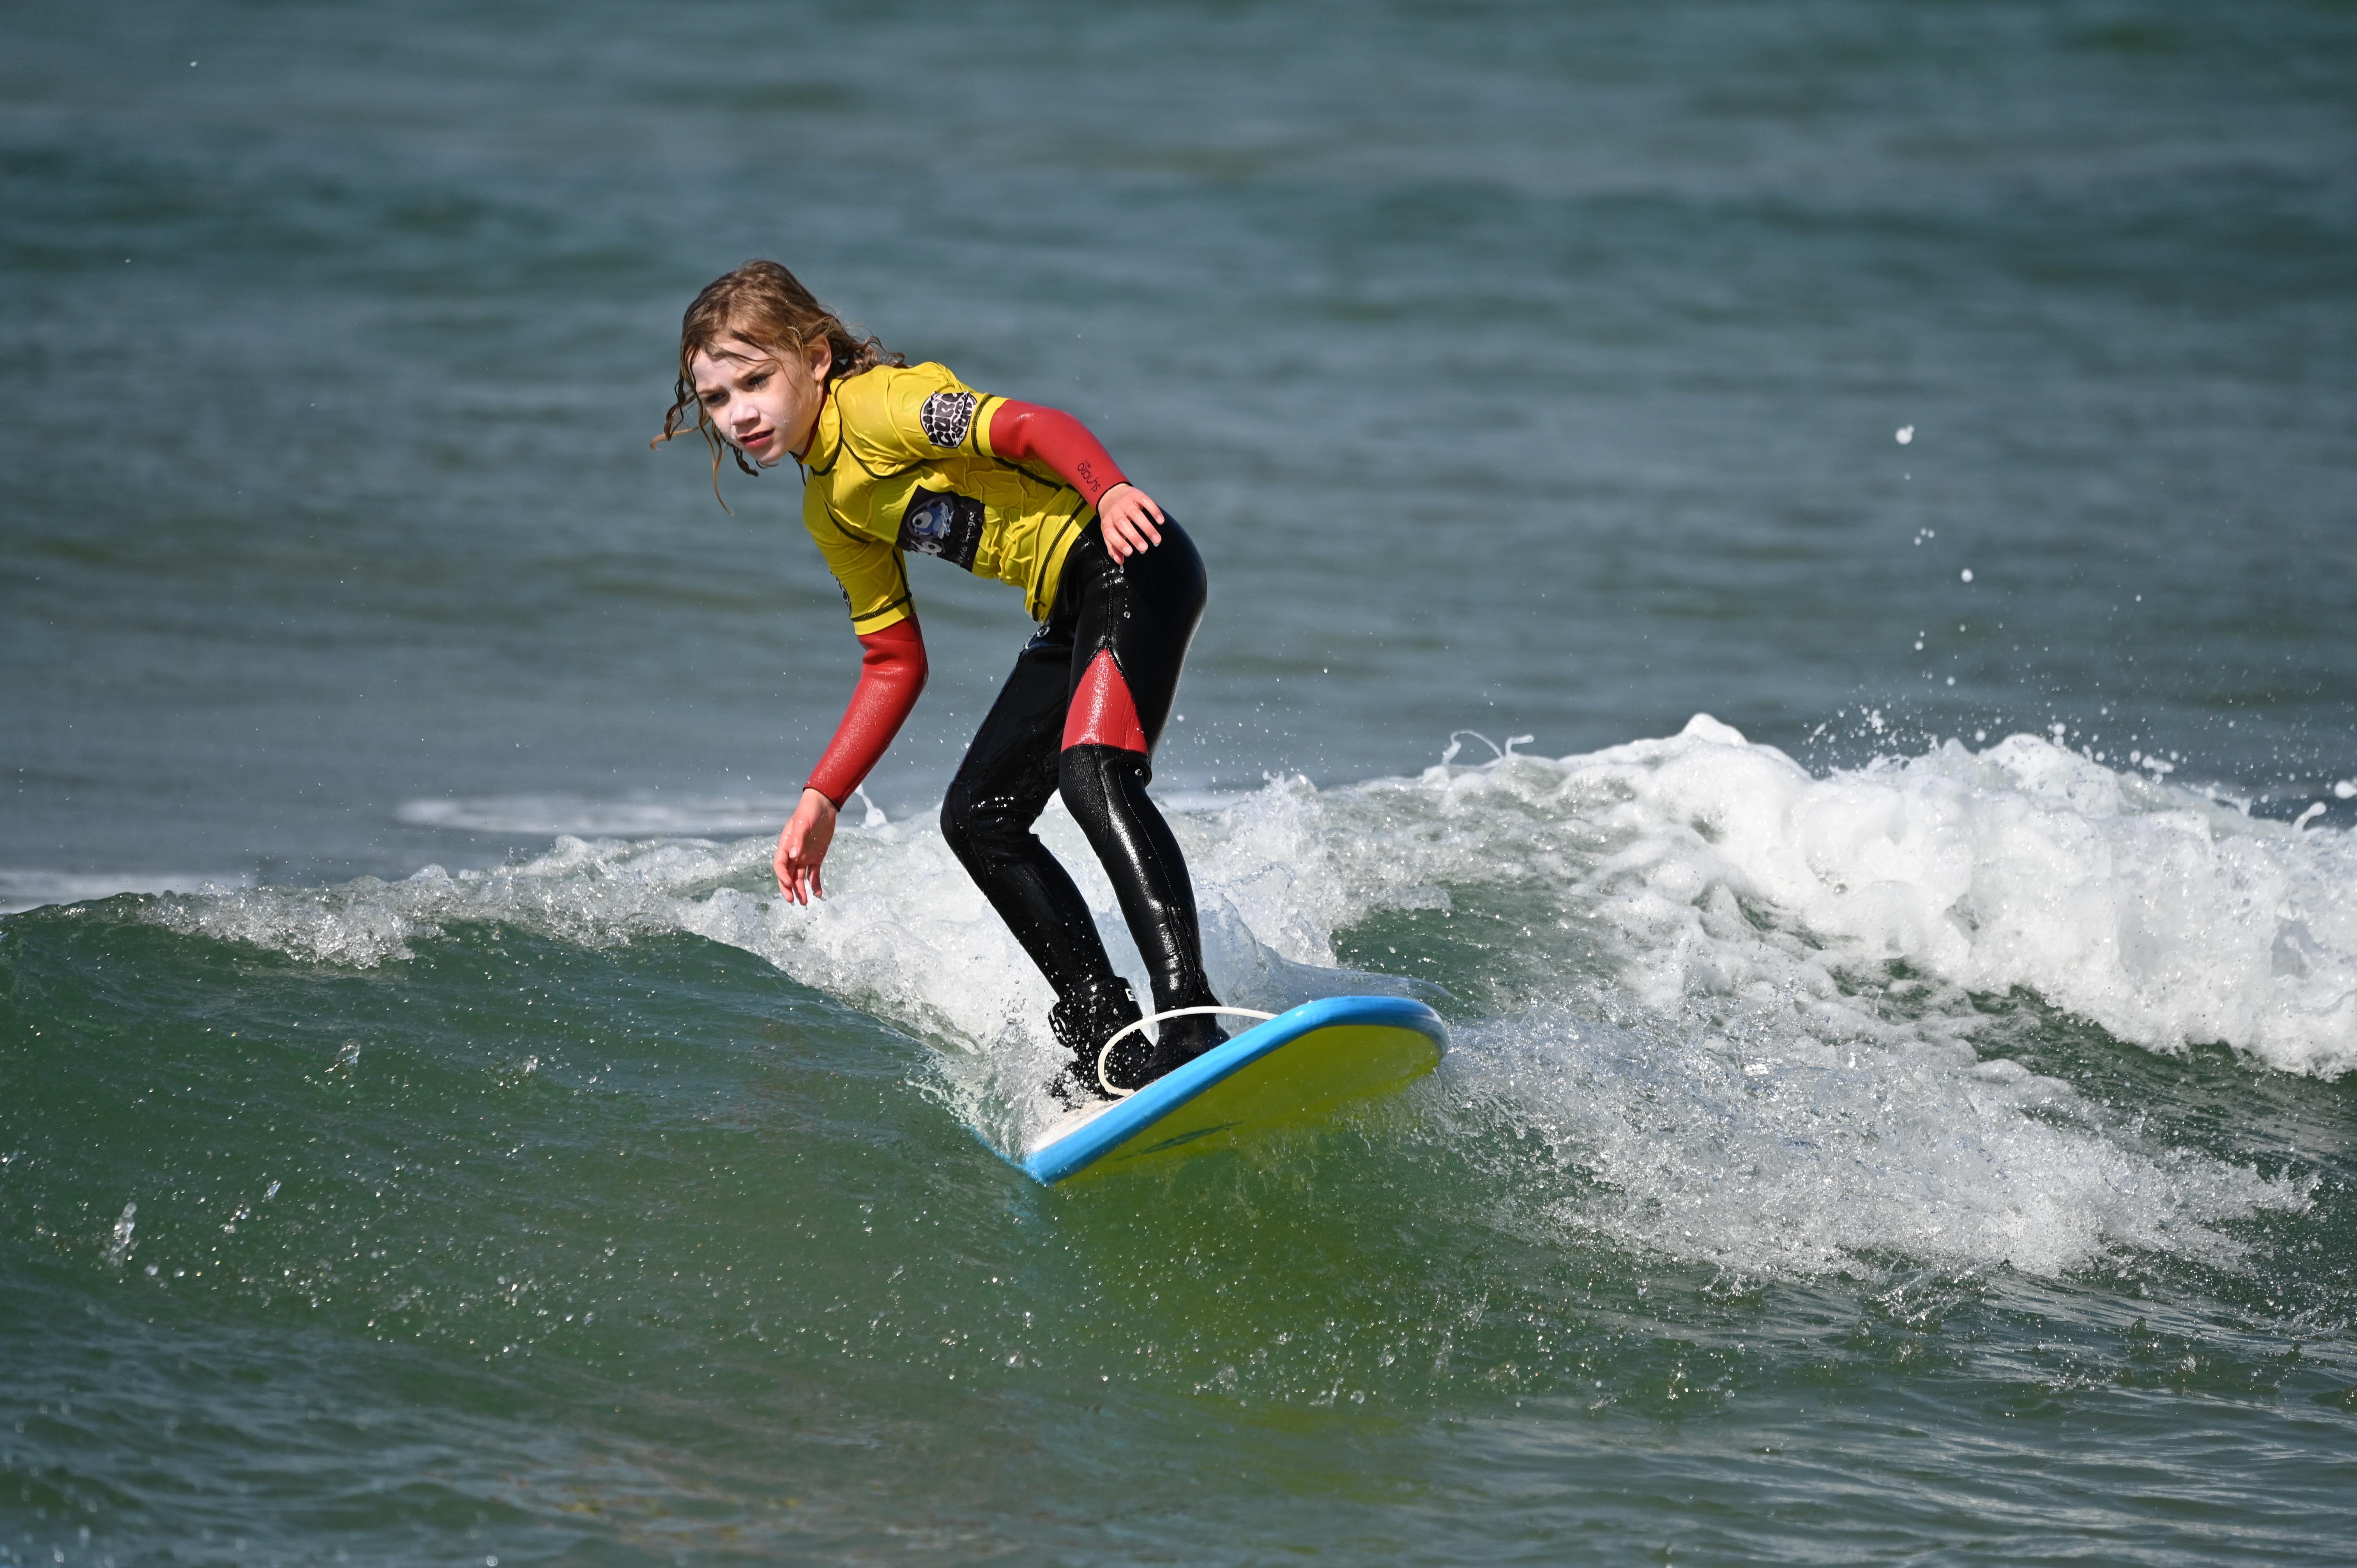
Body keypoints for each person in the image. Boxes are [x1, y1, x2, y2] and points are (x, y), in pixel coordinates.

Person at [655, 260, 1225, 1102]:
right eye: (716, 398)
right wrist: (824, 795)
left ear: (814, 359)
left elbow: (1031, 426)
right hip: (1071, 603)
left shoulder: (883, 405)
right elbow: (895, 658)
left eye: (754, 381)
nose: (738, 413)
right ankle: (1110, 1035)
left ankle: (1190, 1018)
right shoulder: (829, 506)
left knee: (1091, 771)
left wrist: (1107, 494)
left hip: (1129, 557)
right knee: (979, 817)